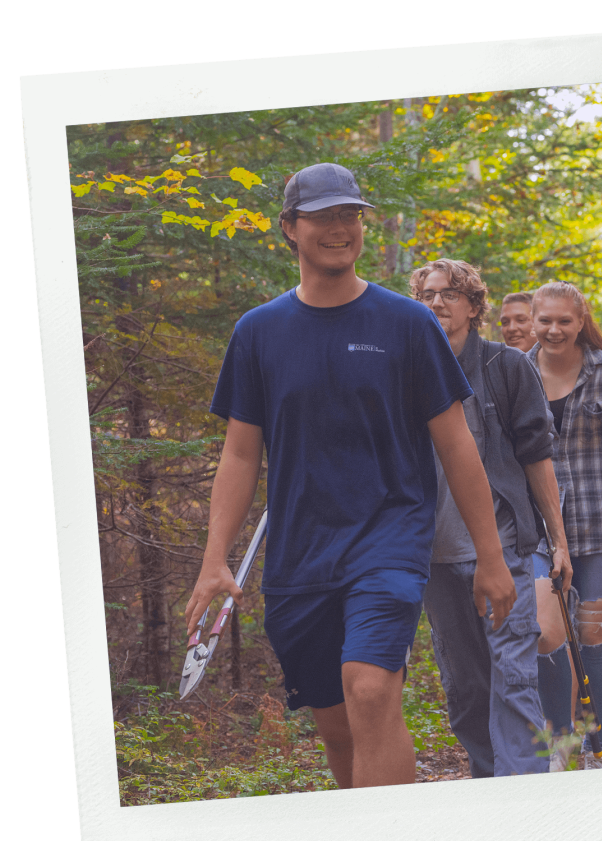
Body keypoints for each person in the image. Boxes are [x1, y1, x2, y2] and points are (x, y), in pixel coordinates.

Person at [184, 163, 517, 790]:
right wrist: (214, 559)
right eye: (323, 216)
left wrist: (491, 557)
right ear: (289, 228)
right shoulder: (258, 333)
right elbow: (239, 455)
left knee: (368, 691)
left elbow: (456, 445)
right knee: (337, 726)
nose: (340, 228)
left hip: (388, 540)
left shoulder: (407, 323)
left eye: (350, 216)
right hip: (299, 556)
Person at [408, 259, 572, 778]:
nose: (438, 303)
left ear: (475, 307)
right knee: (466, 685)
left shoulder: (505, 366)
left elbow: (536, 457)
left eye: (451, 294)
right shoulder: (404, 370)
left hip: (504, 549)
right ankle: (487, 780)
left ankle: (523, 787)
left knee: (515, 674)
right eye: (429, 294)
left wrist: (559, 542)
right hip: (433, 554)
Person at [527, 281, 602, 770]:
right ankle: (561, 744)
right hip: (539, 530)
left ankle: (599, 746)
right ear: (534, 322)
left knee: (593, 636)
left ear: (581, 322)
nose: (554, 330)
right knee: (545, 631)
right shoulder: (517, 372)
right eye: (545, 321)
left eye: (564, 321)